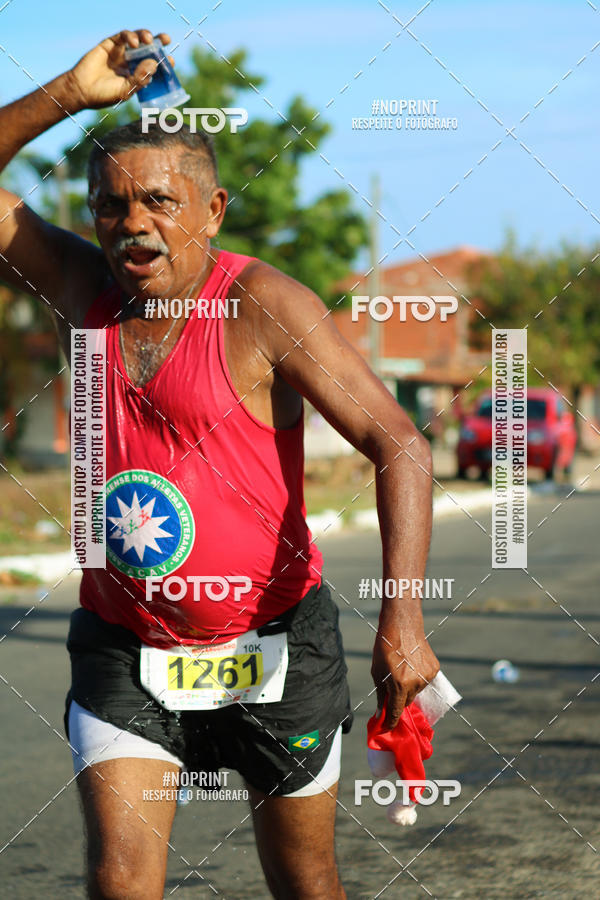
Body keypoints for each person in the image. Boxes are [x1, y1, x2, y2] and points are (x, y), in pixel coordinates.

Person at [0, 29, 439, 900]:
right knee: (120, 880)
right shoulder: (78, 289)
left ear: (214, 208)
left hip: (277, 646)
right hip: (126, 651)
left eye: (160, 203)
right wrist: (66, 94)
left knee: (306, 879)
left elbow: (401, 442)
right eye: (110, 207)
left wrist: (405, 621)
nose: (134, 227)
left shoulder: (264, 305)